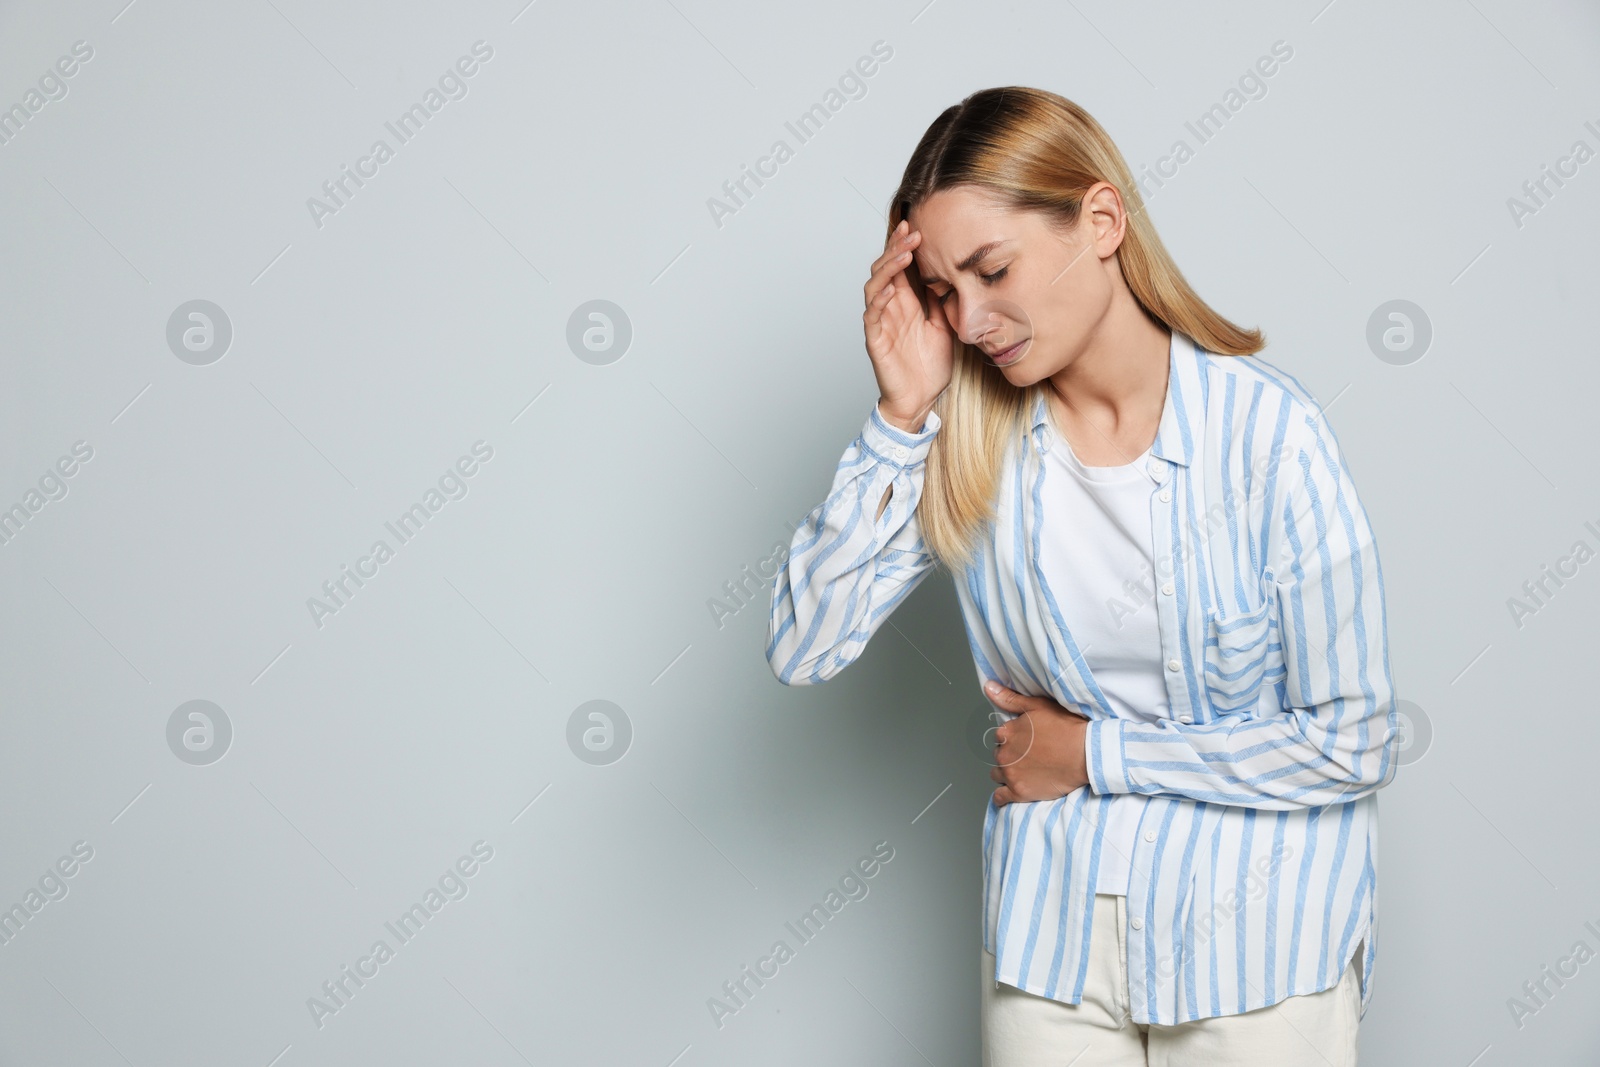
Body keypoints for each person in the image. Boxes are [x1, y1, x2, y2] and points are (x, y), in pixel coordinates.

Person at [765, 87, 1398, 1066]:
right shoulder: (963, 445)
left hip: (1261, 950)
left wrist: (1095, 755)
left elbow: (1350, 742)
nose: (969, 318)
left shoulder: (1268, 437)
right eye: (940, 291)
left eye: (990, 269)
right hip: (1052, 947)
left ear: (1099, 221)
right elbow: (804, 645)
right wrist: (898, 415)